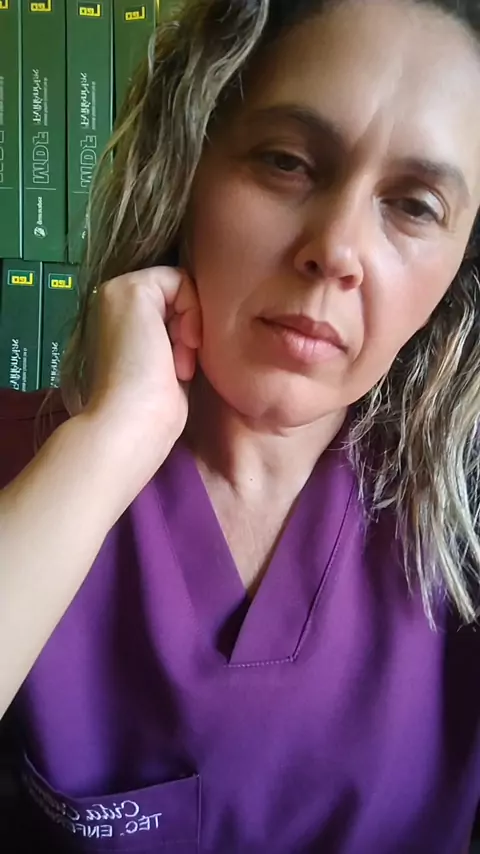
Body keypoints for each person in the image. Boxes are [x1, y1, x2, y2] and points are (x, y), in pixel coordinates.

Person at [1, 0, 480, 850]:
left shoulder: (462, 533)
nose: (336, 250)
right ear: (186, 169)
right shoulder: (27, 464)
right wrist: (111, 441)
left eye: (414, 206)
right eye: (286, 162)